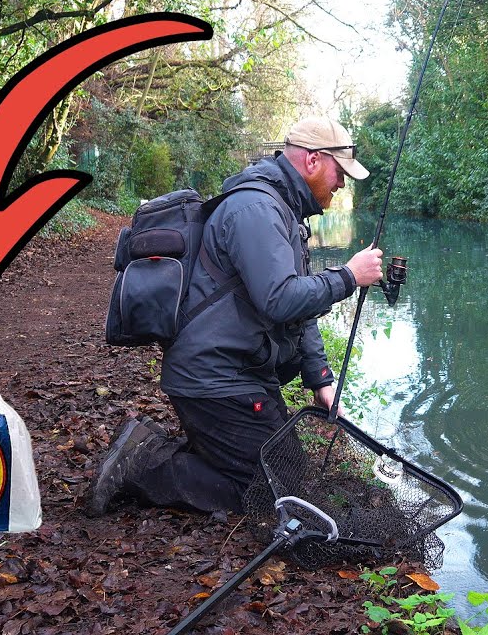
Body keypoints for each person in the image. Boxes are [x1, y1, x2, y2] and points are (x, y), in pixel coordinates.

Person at [86, 115, 383, 516]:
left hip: (239, 371)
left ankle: (196, 447)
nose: (342, 184)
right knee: (268, 495)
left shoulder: (282, 209)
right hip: (212, 376)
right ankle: (142, 463)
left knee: (288, 471)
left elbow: (301, 310)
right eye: (340, 172)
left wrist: (320, 378)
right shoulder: (257, 208)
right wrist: (348, 276)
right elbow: (281, 300)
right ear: (313, 160)